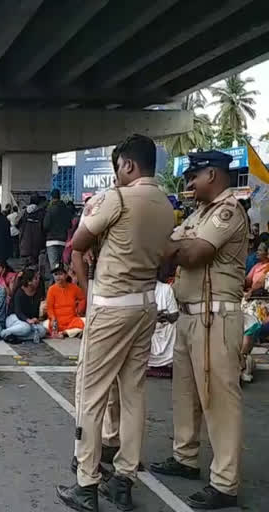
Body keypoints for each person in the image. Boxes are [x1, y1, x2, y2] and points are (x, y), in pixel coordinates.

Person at [58, 135, 174, 512]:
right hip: (145, 306)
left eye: (119, 167)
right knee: (133, 394)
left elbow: (78, 241)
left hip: (111, 307)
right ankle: (124, 480)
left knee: (91, 395)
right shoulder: (165, 204)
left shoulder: (118, 198)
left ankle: (87, 483)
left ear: (128, 165)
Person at [150, 150, 248, 509]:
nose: (189, 184)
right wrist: (177, 247)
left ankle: (225, 482)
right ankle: (185, 457)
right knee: (186, 394)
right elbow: (166, 250)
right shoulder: (199, 213)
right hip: (189, 314)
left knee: (219, 400)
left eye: (194, 176)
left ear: (214, 174)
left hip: (215, 316)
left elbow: (193, 254)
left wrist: (177, 248)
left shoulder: (227, 211)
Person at [0, 268, 47, 341]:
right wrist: (27, 320)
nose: (38, 280)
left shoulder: (38, 292)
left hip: (28, 321)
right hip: (14, 318)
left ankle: (17, 337)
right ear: (29, 282)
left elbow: (36, 310)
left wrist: (35, 319)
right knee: (26, 328)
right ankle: (4, 333)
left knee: (42, 331)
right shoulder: (19, 293)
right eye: (35, 279)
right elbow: (18, 312)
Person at [45, 263, 86, 339]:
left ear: (66, 275)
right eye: (56, 274)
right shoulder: (51, 289)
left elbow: (82, 298)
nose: (58, 277)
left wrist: (79, 310)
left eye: (60, 274)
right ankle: (66, 333)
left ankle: (64, 333)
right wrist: (53, 319)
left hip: (71, 320)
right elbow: (49, 308)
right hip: (57, 321)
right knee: (45, 325)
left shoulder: (74, 287)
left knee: (86, 322)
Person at [43, 188, 72, 269]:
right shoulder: (66, 210)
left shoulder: (50, 209)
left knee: (54, 267)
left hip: (51, 241)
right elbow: (69, 225)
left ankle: (58, 281)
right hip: (63, 240)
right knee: (61, 265)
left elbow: (45, 225)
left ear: (52, 197)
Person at [17, 195, 46, 266]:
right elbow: (45, 227)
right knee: (35, 263)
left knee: (24, 265)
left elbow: (16, 222)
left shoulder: (24, 212)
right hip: (37, 242)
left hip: (25, 241)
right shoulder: (42, 213)